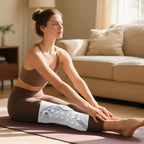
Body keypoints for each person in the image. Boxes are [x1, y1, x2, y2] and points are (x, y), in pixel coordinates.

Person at [7, 8, 144, 137]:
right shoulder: (35, 53)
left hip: (40, 96)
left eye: (61, 24)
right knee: (65, 113)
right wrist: (87, 106)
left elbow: (77, 80)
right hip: (20, 102)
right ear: (43, 28)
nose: (60, 28)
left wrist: (93, 105)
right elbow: (59, 84)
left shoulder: (61, 53)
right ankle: (119, 125)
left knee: (73, 107)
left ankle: (117, 122)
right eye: (55, 24)